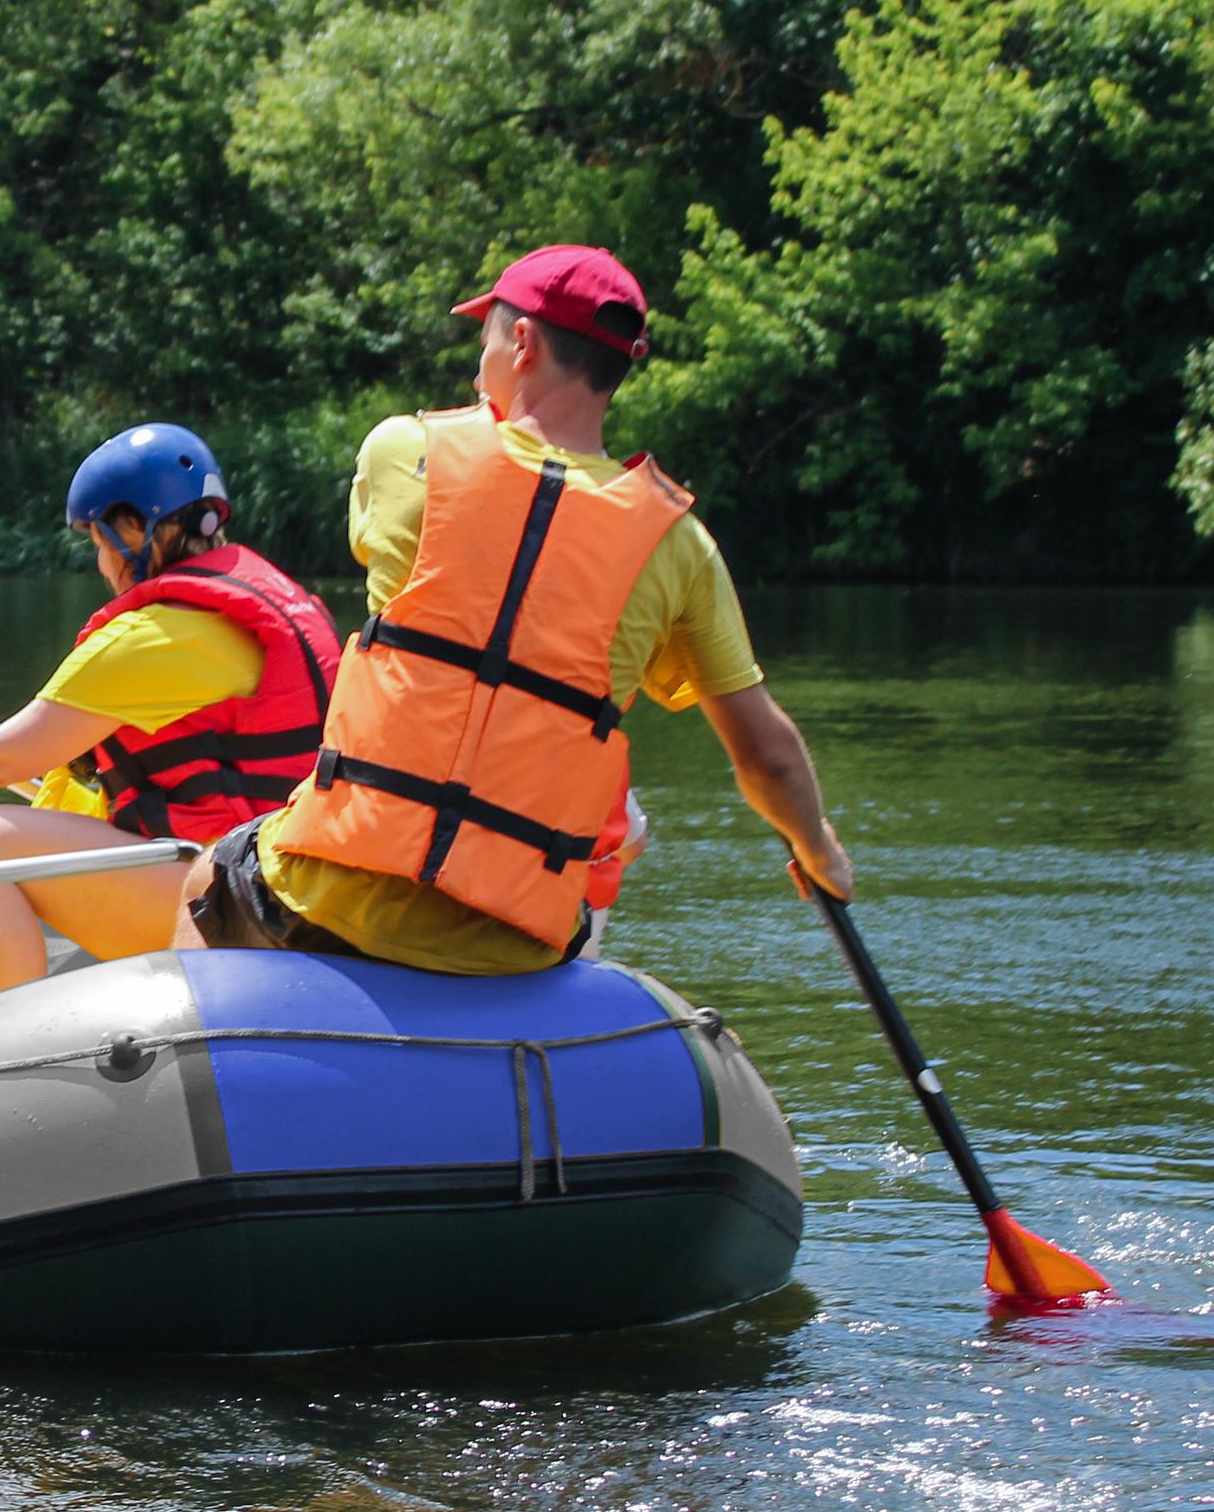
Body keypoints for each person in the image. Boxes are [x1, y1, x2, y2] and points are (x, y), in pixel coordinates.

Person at [193, 243, 854, 971]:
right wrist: (816, 847)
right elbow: (768, 757)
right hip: (519, 940)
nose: (478, 367)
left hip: (332, 902)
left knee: (207, 874)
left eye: (486, 342)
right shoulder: (678, 545)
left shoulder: (404, 451)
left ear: (523, 342)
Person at [0, 424, 341, 1015]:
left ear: (133, 528)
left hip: (234, 904)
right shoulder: (281, 601)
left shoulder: (157, 634)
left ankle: (25, 1047)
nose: (103, 564)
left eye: (99, 542)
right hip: (290, 889)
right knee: (8, 835)